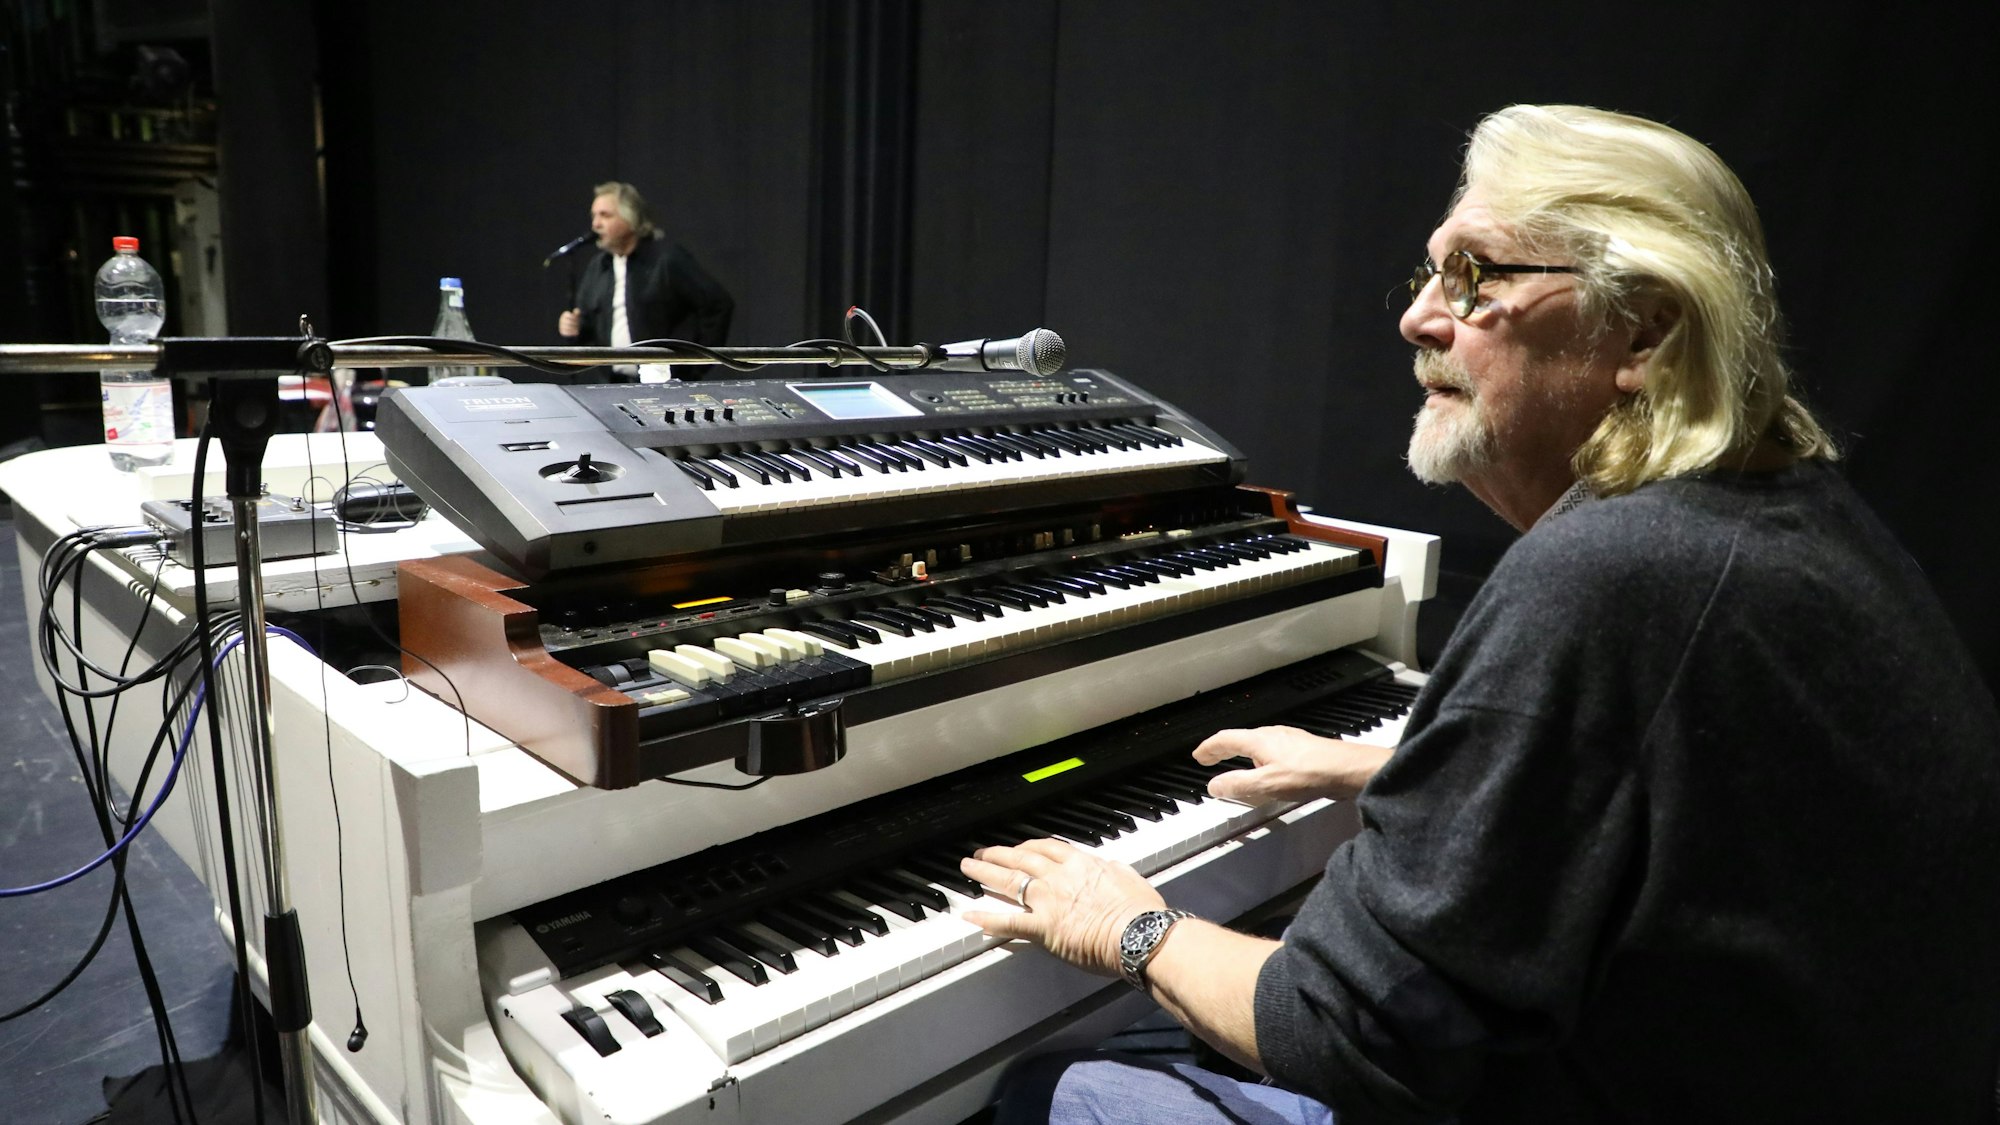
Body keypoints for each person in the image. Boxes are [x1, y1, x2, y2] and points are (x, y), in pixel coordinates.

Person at [960, 104, 2000, 1124]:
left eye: (1474, 276)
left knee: (1051, 1088)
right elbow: (1711, 810)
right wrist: (1402, 775)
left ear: (1640, 330)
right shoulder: (1786, 510)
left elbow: (1347, 1035)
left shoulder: (1611, 570)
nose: (1418, 316)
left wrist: (1126, 924)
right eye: (1428, 273)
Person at [557, 180, 733, 381]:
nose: (595, 224)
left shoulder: (666, 259)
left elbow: (718, 305)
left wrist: (694, 366)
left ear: (630, 217)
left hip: (665, 385)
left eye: (605, 215)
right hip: (614, 385)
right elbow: (587, 326)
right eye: (594, 216)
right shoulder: (599, 267)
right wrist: (573, 327)